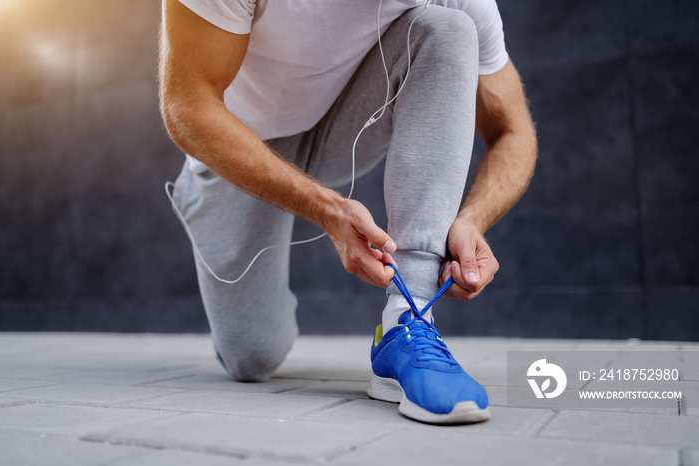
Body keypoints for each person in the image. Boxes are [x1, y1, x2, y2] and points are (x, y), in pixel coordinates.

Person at [159, 0, 537, 424]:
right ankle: (200, 192)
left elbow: (513, 130)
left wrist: (471, 219)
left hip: (343, 123)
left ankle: (406, 323)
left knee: (447, 30)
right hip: (243, 141)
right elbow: (186, 104)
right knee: (252, 358)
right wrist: (327, 209)